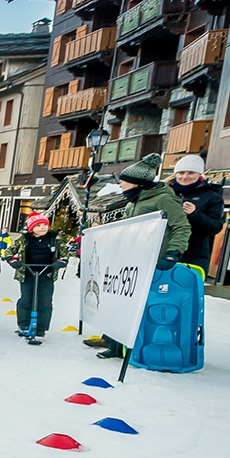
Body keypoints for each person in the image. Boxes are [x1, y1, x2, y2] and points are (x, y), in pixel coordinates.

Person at [95, 153, 192, 359]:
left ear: (138, 183)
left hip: (153, 262)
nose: (120, 186)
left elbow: (181, 227)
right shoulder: (132, 203)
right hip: (131, 261)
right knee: (120, 303)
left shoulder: (164, 198)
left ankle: (136, 346)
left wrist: (173, 253)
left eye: (124, 182)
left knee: (141, 307)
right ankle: (115, 344)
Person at [7, 213, 64, 341]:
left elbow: (64, 254)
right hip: (28, 272)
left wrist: (59, 263)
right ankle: (24, 325)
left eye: (45, 225)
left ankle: (41, 328)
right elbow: (9, 251)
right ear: (31, 227)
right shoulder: (24, 239)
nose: (42, 228)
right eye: (38, 225)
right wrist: (13, 261)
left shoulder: (54, 239)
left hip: (47, 272)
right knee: (26, 299)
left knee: (45, 301)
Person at [169, 155, 225, 277]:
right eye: (181, 172)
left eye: (191, 173)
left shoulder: (212, 196)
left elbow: (215, 227)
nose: (185, 176)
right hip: (164, 253)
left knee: (187, 294)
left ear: (199, 174)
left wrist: (195, 214)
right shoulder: (167, 193)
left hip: (194, 256)